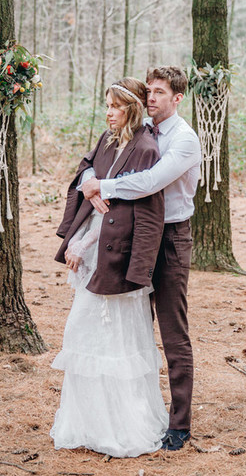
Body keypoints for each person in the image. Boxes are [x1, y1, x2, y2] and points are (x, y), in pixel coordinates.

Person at [81, 65, 201, 451]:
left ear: (177, 98)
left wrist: (105, 185)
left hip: (169, 239)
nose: (151, 97)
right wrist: (88, 180)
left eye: (160, 92)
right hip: (132, 236)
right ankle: (134, 413)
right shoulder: (139, 131)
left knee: (172, 331)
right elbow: (94, 158)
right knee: (131, 328)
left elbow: (149, 182)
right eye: (148, 91)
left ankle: (179, 423)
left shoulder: (184, 140)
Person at [50, 78, 168, 458]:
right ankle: (89, 421)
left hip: (117, 258)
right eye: (107, 105)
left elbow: (133, 214)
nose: (108, 112)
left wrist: (81, 245)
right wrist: (88, 181)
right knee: (86, 338)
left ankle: (121, 425)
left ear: (131, 109)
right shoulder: (108, 139)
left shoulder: (146, 148)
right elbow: (88, 170)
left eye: (114, 106)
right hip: (95, 253)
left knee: (116, 340)